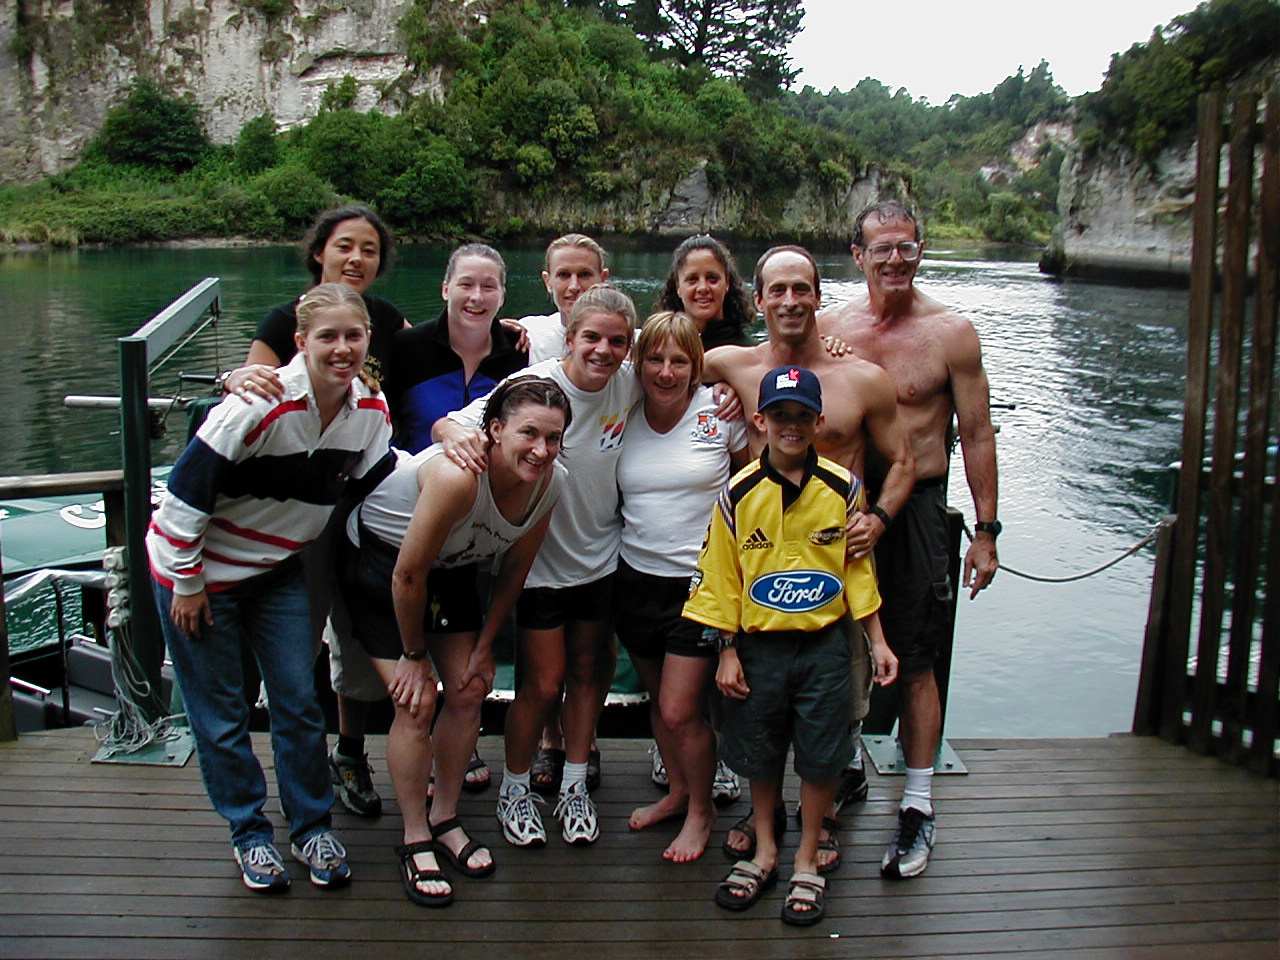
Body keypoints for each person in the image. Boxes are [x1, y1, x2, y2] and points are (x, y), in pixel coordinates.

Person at [146, 283, 393, 893]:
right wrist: (187, 582)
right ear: (301, 342)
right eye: (327, 337)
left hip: (276, 570)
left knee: (296, 700)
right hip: (199, 575)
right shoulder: (259, 405)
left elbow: (376, 480)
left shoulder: (369, 413)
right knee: (223, 712)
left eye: (353, 336)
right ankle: (249, 832)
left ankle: (311, 825)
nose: (342, 349)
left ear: (368, 340)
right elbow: (182, 498)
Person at [701, 245, 915, 866]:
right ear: (759, 300)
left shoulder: (864, 378)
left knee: (835, 709)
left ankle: (822, 818)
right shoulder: (730, 364)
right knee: (758, 711)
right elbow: (645, 360)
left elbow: (902, 460)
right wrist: (529, 341)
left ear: (819, 296)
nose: (790, 301)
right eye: (778, 290)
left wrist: (877, 518)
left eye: (803, 289)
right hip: (760, 572)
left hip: (834, 575)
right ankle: (763, 817)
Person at [819, 201, 1000, 880]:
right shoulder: (832, 327)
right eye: (881, 249)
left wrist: (984, 531)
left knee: (917, 655)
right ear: (858, 256)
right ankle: (841, 769)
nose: (895, 260)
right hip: (843, 504)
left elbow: (977, 433)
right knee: (832, 643)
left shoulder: (951, 333)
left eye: (907, 247)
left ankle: (919, 802)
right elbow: (773, 383)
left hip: (920, 505)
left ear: (920, 251)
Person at [338, 376, 569, 906]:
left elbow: (514, 570)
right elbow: (407, 576)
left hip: (450, 571)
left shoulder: (551, 482)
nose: (540, 450)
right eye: (528, 434)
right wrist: (414, 657)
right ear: (493, 430)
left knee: (469, 688)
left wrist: (487, 643)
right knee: (415, 704)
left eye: (553, 439)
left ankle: (445, 816)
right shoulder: (458, 478)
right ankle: (414, 835)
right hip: (382, 565)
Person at [684, 365, 897, 926]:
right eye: (781, 416)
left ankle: (807, 859)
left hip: (825, 645)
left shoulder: (843, 487)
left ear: (819, 422)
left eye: (803, 417)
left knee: (824, 750)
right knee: (758, 746)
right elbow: (722, 577)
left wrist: (877, 641)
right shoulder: (737, 493)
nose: (792, 427)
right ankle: (765, 849)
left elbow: (857, 569)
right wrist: (725, 649)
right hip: (758, 646)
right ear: (761, 421)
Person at [434, 285, 642, 847]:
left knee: (589, 675)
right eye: (590, 337)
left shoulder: (632, 376)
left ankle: (574, 784)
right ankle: (515, 787)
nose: (603, 350)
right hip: (538, 564)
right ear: (569, 336)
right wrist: (458, 439)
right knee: (543, 684)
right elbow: (451, 424)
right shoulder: (535, 387)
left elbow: (696, 355)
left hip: (602, 558)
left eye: (616, 341)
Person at [218, 205, 407, 820]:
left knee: (358, 631)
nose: (356, 259)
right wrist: (231, 376)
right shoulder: (287, 321)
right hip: (301, 508)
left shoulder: (387, 321)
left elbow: (401, 386)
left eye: (369, 250)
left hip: (368, 496)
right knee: (297, 640)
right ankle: (283, 768)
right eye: (344, 246)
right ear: (319, 252)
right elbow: (254, 388)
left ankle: (348, 753)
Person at [617, 312, 749, 862]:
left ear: (697, 366)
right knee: (658, 702)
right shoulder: (621, 412)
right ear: (639, 362)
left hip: (701, 585)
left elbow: (754, 492)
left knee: (679, 710)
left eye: (679, 361)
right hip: (635, 579)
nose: (666, 372)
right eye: (655, 359)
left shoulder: (720, 413)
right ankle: (677, 790)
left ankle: (703, 810)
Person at [384, 243, 527, 455]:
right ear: (445, 289)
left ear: (502, 296)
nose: (477, 297)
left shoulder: (519, 350)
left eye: (488, 287)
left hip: (489, 483)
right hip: (414, 478)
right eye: (466, 284)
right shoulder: (407, 346)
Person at [520, 233, 611, 365]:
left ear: (603, 279)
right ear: (548, 281)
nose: (574, 286)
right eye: (564, 275)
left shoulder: (632, 342)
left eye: (584, 275)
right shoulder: (529, 334)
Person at [655, 233, 756, 349]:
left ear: (727, 283)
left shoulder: (750, 354)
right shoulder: (660, 350)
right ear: (678, 286)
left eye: (712, 278)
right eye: (692, 279)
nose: (702, 288)